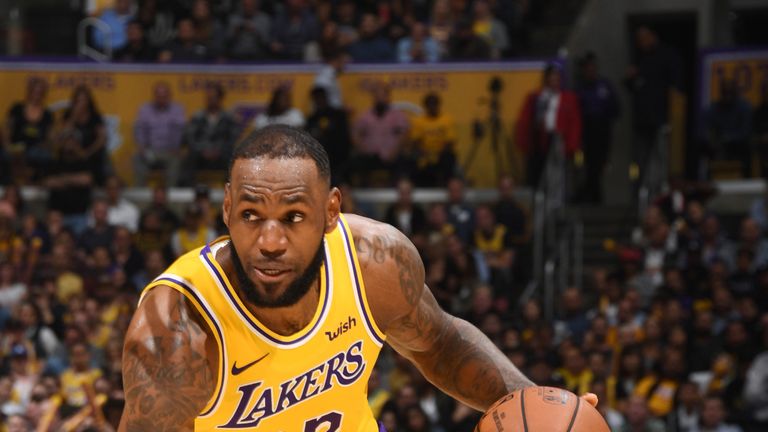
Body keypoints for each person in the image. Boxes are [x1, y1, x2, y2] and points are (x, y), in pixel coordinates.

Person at [117, 124, 566, 430]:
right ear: (227, 208)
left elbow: (441, 345)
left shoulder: (373, 262)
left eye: (293, 216)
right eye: (251, 214)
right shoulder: (175, 330)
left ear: (331, 211)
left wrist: (539, 407)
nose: (269, 242)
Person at [624, 26, 682, 194]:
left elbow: (676, 87)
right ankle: (644, 190)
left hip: (662, 118)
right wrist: (630, 78)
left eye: (644, 38)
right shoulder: (640, 59)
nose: (641, 42)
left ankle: (661, 190)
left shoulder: (667, 56)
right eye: (638, 39)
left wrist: (671, 115)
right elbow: (633, 86)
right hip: (642, 120)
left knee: (661, 156)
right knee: (641, 158)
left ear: (653, 36)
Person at [515, 64, 582, 188]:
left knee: (557, 176)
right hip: (540, 141)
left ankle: (556, 198)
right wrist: (524, 143)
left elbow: (574, 123)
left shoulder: (569, 98)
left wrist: (572, 146)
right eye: (551, 78)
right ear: (546, 80)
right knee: (538, 175)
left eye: (556, 79)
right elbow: (525, 120)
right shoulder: (536, 97)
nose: (554, 82)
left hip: (559, 141)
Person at [576, 52, 620, 204]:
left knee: (601, 162)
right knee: (589, 163)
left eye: (592, 67)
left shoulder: (605, 85)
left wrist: (607, 116)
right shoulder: (580, 88)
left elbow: (616, 107)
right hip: (587, 129)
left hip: (603, 128)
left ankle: (592, 194)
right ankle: (593, 196)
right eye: (587, 68)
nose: (590, 70)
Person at [350, 81, 410, 186]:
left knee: (405, 162)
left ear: (388, 97)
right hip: (370, 156)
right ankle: (363, 190)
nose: (380, 99)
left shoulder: (397, 115)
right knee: (355, 162)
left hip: (392, 155)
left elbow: (404, 135)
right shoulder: (365, 116)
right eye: (377, 96)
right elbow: (355, 134)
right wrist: (362, 149)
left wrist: (394, 151)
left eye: (382, 95)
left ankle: (399, 190)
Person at [183, 82, 241, 184]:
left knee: (234, 158)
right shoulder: (197, 117)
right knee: (189, 157)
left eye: (213, 97)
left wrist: (218, 151)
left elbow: (232, 140)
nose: (210, 100)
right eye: (208, 98)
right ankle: (188, 188)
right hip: (201, 154)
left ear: (220, 98)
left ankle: (230, 189)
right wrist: (203, 150)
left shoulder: (229, 118)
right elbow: (190, 138)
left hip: (221, 154)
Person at [133, 81, 186, 186]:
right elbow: (139, 130)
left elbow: (180, 132)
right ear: (154, 96)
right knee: (137, 158)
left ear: (169, 96)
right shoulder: (145, 109)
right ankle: (140, 192)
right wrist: (142, 146)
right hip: (150, 151)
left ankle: (170, 193)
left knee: (176, 161)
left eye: (164, 96)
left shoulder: (177, 110)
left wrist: (177, 147)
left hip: (169, 152)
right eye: (159, 96)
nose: (161, 99)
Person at [3, 77, 54, 183]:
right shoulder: (17, 108)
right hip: (15, 146)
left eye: (40, 92)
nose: (37, 94)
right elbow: (6, 129)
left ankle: (35, 182)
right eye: (35, 91)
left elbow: (50, 138)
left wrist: (45, 145)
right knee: (7, 155)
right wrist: (8, 146)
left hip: (35, 149)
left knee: (44, 156)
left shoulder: (47, 115)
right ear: (29, 91)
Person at [700, 79, 753, 178]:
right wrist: (709, 138)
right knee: (701, 143)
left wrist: (727, 138)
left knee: (744, 145)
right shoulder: (714, 108)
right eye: (725, 93)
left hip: (738, 146)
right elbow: (705, 126)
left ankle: (744, 178)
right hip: (718, 145)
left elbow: (745, 132)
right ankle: (707, 178)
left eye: (730, 93)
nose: (727, 96)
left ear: (736, 93)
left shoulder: (744, 107)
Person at [59, 84, 108, 186]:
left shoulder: (95, 116)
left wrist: (87, 152)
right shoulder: (68, 114)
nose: (81, 103)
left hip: (90, 152)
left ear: (89, 101)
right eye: (78, 100)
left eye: (84, 100)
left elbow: (102, 139)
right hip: (72, 152)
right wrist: (74, 116)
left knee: (99, 158)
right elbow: (64, 134)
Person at [409, 92, 457, 186]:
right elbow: (415, 142)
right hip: (424, 155)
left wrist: (437, 154)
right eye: (430, 104)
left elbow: (450, 142)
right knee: (413, 158)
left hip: (442, 154)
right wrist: (425, 153)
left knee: (448, 157)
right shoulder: (418, 121)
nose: (432, 107)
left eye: (434, 104)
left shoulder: (447, 119)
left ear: (438, 105)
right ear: (425, 106)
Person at [305, 86, 351, 184]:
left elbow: (344, 137)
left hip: (338, 157)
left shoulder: (338, 115)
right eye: (316, 98)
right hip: (319, 158)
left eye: (321, 97)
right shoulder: (312, 119)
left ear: (326, 98)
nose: (319, 100)